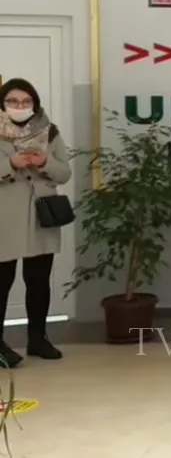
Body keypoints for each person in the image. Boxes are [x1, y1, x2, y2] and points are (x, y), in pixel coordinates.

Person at [0, 78, 72, 367]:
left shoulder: (49, 131)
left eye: (25, 101)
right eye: (12, 101)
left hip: (41, 213)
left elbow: (64, 172)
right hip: (5, 216)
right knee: (2, 281)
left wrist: (44, 162)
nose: (19, 106)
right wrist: (10, 164)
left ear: (34, 104)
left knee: (39, 280)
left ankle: (38, 339)